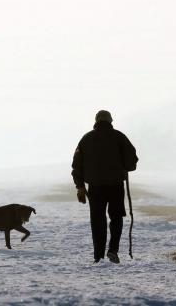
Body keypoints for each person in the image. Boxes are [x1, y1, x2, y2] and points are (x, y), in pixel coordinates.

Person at [71, 110, 138, 264]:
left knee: (97, 220)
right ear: (110, 121)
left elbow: (76, 166)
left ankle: (98, 255)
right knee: (116, 218)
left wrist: (80, 187)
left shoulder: (86, 139)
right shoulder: (119, 137)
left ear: (96, 121)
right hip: (115, 186)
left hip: (95, 188)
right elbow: (132, 162)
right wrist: (124, 166)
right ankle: (113, 250)